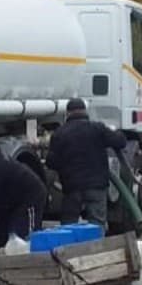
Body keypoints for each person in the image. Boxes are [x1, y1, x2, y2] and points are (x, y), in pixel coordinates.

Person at [45, 98, 127, 233]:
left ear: (67, 113)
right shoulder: (97, 128)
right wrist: (116, 132)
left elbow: (51, 162)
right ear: (85, 111)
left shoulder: (60, 134)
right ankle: (96, 250)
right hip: (96, 186)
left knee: (68, 226)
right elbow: (120, 142)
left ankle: (68, 251)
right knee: (97, 224)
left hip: (72, 188)